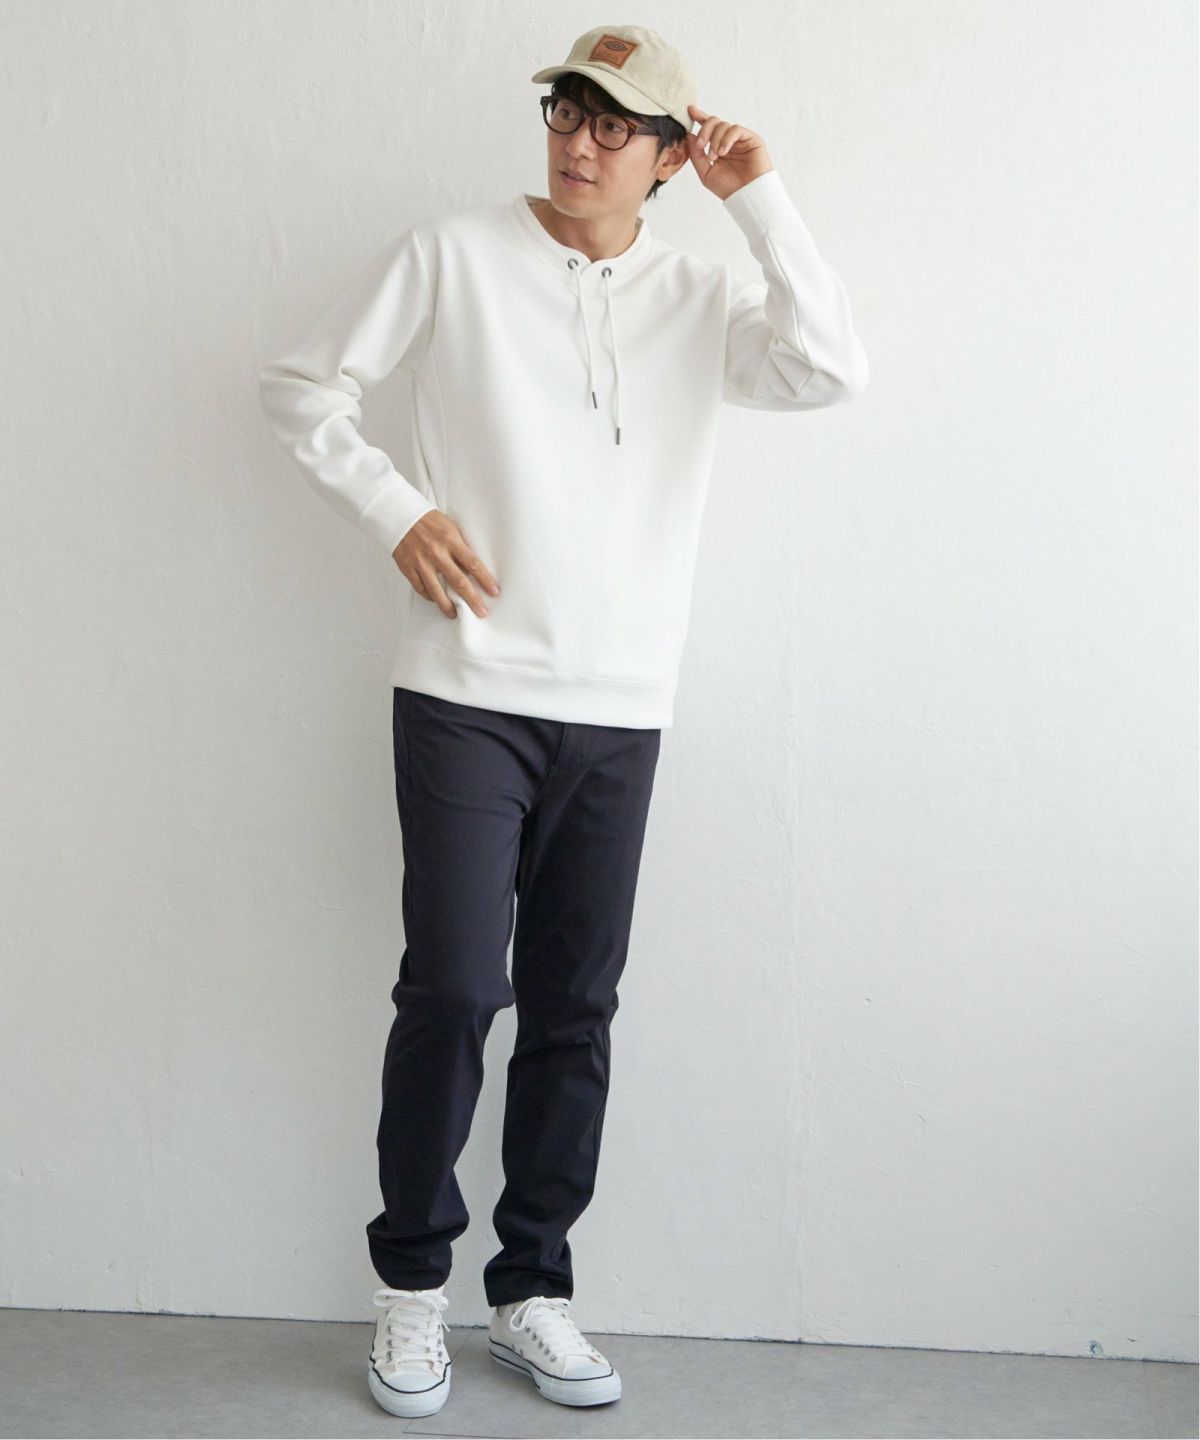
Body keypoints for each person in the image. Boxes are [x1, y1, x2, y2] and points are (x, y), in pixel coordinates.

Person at [257, 22, 868, 1420]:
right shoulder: (453, 255)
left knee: (576, 1006)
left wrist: (762, 200)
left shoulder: (701, 298)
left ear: (669, 157)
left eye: (615, 126)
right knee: (456, 987)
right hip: (465, 692)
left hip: (621, 705)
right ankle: (412, 1290)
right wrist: (395, 508)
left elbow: (832, 367)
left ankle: (531, 1288)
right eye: (566, 112)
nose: (579, 144)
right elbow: (300, 385)